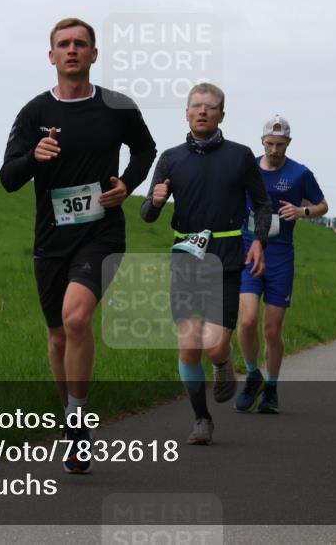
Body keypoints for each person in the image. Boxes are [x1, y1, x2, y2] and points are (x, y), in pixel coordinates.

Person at [0, 17, 157, 472]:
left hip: (101, 231)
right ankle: (73, 421)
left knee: (75, 317)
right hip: (51, 237)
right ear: (51, 56)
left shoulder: (117, 107)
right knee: (56, 337)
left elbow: (145, 150)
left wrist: (126, 185)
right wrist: (34, 157)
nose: (72, 50)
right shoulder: (33, 113)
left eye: (81, 44)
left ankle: (78, 415)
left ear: (94, 54)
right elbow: (8, 178)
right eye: (64, 44)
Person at [141, 82, 271, 444]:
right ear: (186, 113)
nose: (202, 111)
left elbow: (262, 204)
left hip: (226, 261)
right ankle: (202, 419)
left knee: (214, 345)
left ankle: (222, 361)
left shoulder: (240, 156)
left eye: (210, 107)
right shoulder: (170, 158)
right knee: (188, 345)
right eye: (196, 106)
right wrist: (155, 201)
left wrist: (258, 241)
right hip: (185, 260)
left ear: (221, 115)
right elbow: (147, 214)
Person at [235, 115, 327, 412]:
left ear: (288, 143)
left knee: (272, 329)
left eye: (280, 145)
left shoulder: (300, 173)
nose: (274, 150)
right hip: (249, 251)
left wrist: (302, 211)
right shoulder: (247, 168)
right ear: (262, 141)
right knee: (247, 320)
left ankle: (271, 388)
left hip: (280, 255)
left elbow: (322, 205)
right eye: (270, 144)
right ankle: (253, 375)